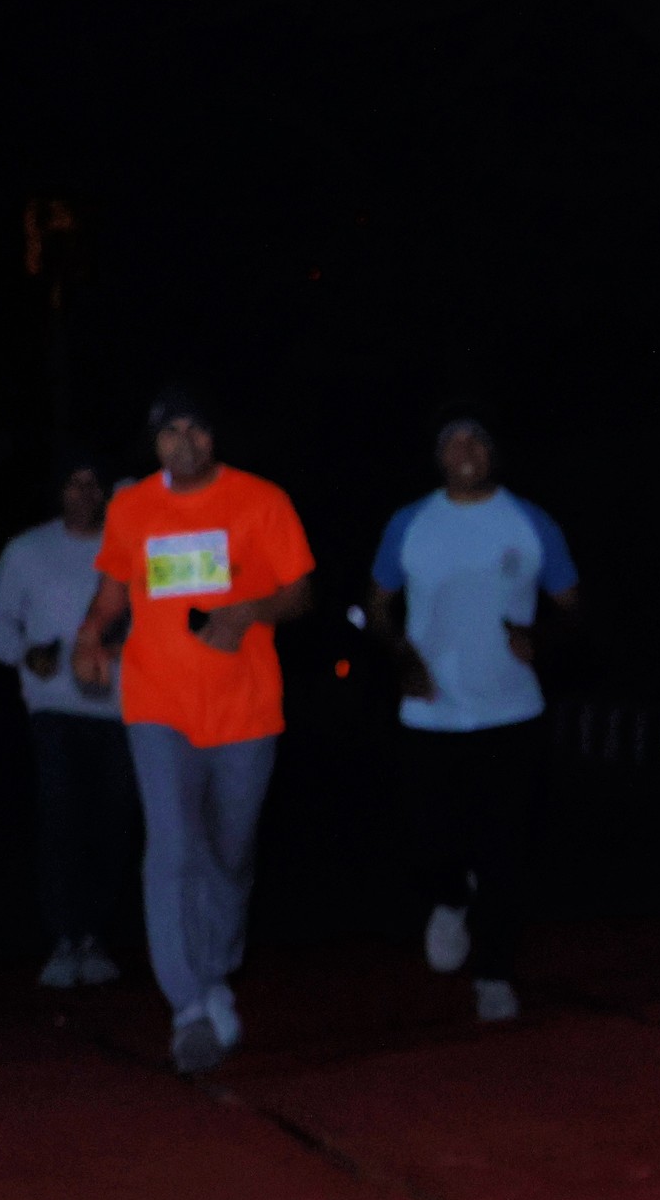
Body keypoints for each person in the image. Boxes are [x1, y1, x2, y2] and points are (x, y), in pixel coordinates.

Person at [73, 388, 314, 1073]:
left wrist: (249, 612)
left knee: (228, 854)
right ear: (155, 445)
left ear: (214, 438)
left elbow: (300, 592)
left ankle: (215, 973)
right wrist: (90, 634)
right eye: (169, 431)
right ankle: (188, 1005)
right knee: (173, 847)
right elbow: (114, 588)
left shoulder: (261, 501)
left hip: (245, 708)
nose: (184, 442)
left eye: (196, 430)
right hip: (157, 703)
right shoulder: (132, 508)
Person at [366, 418, 578, 1023]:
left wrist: (542, 638)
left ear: (494, 452)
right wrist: (402, 655)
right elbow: (377, 606)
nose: (466, 451)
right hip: (429, 715)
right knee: (429, 843)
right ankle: (451, 897)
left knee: (504, 849)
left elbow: (571, 606)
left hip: (511, 713)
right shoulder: (409, 523)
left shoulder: (531, 522)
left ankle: (494, 974)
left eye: (477, 439)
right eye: (453, 441)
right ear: (438, 456)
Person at [0, 457, 135, 987]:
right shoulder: (27, 550)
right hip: (54, 707)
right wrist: (26, 653)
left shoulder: (127, 546)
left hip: (119, 708)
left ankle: (95, 935)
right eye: (74, 483)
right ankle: (63, 938)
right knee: (62, 819)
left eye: (94, 484)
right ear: (59, 490)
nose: (84, 493)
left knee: (112, 821)